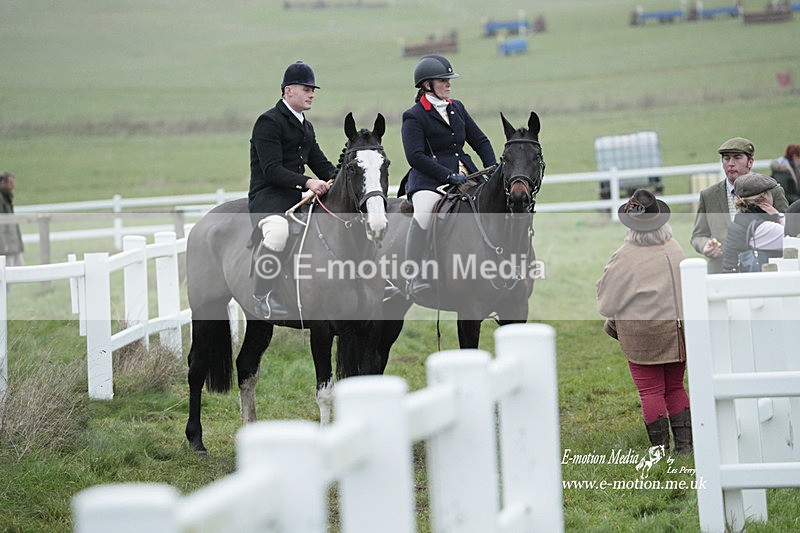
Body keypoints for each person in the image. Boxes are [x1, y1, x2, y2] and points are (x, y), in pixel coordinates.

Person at [596, 189, 691, 454]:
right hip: (678, 333)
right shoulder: (675, 248)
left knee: (650, 391)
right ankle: (685, 448)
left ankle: (659, 450)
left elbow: (606, 303)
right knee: (674, 387)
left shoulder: (625, 256)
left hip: (643, 336)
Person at [400, 54, 497, 299]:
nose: (448, 84)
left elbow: (480, 140)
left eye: (449, 79)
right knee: (423, 214)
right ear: (427, 84)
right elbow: (415, 156)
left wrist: (492, 165)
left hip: (466, 173)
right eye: (443, 80)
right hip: (429, 180)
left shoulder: (457, 108)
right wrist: (447, 175)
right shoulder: (413, 115)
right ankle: (414, 274)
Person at [249, 61, 337, 319]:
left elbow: (321, 163)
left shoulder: (306, 126)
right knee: (278, 233)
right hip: (269, 199)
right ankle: (262, 296)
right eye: (306, 89)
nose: (312, 94)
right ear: (288, 91)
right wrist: (309, 182)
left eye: (313, 90)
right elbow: (272, 170)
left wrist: (341, 179)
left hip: (297, 199)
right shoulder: (269, 122)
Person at [691, 137, 788, 274]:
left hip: (764, 271)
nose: (731, 163)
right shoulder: (709, 195)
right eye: (726, 158)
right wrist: (704, 245)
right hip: (721, 271)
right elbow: (698, 235)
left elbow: (791, 234)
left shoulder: (772, 192)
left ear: (750, 162)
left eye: (737, 158)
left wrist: (777, 215)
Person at [722, 173, 786, 273]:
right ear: (765, 198)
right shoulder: (763, 227)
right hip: (750, 284)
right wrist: (779, 216)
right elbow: (793, 237)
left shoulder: (741, 219)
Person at [0, 171, 24, 267]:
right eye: (10, 183)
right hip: (6, 246)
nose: (13, 186)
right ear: (2, 183)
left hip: (11, 244)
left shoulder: (6, 198)